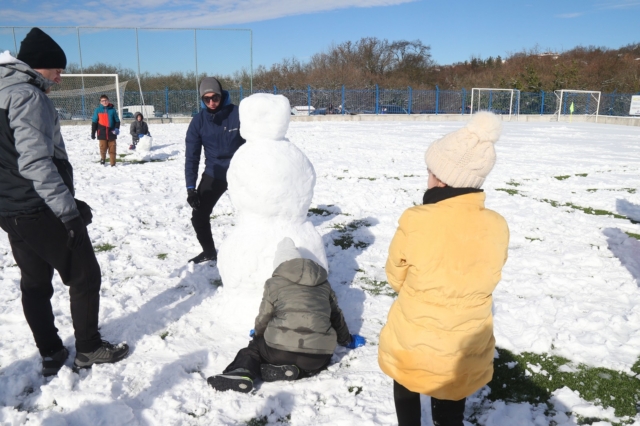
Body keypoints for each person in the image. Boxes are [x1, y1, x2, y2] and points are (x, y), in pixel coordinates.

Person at [0, 28, 129, 377]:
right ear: (37, 65)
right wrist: (68, 211)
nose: (61, 75)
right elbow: (35, 162)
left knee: (35, 282)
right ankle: (88, 348)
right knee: (85, 274)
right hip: (38, 206)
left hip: (11, 210)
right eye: (56, 68)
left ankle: (51, 352)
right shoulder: (27, 96)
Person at [378, 112, 509, 426]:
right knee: (453, 392)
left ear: (440, 177)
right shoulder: (497, 225)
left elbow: (396, 274)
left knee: (406, 380)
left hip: (415, 335)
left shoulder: (417, 219)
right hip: (465, 342)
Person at [207, 238, 365, 393]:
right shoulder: (323, 284)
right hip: (317, 356)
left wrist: (258, 335)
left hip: (279, 352)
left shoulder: (274, 283)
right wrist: (347, 340)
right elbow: (336, 316)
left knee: (253, 350)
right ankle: (301, 372)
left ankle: (242, 371)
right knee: (317, 362)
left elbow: (265, 315)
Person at [185, 77, 245, 264]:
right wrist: (190, 188)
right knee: (198, 216)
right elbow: (192, 156)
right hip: (215, 174)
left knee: (255, 212)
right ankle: (209, 251)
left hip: (241, 173)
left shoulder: (239, 114)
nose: (211, 102)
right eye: (207, 99)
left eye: (215, 98)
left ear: (221, 95)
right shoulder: (198, 121)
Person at [91, 94, 120, 166]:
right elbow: (94, 122)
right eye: (102, 101)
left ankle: (113, 164)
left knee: (112, 149)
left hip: (111, 133)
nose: (104, 102)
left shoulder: (112, 110)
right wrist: (93, 132)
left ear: (108, 101)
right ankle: (103, 159)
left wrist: (116, 128)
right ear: (100, 102)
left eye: (106, 100)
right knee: (103, 148)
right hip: (102, 133)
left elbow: (117, 121)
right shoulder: (97, 110)